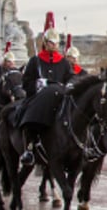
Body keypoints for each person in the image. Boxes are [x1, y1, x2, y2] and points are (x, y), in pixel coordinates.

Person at [17, 13, 73, 166]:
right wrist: (36, 84)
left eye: (55, 43)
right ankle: (29, 147)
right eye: (50, 43)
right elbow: (26, 82)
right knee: (30, 115)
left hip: (59, 97)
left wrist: (68, 85)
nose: (53, 45)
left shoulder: (64, 63)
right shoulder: (35, 61)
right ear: (45, 43)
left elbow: (70, 79)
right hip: (38, 98)